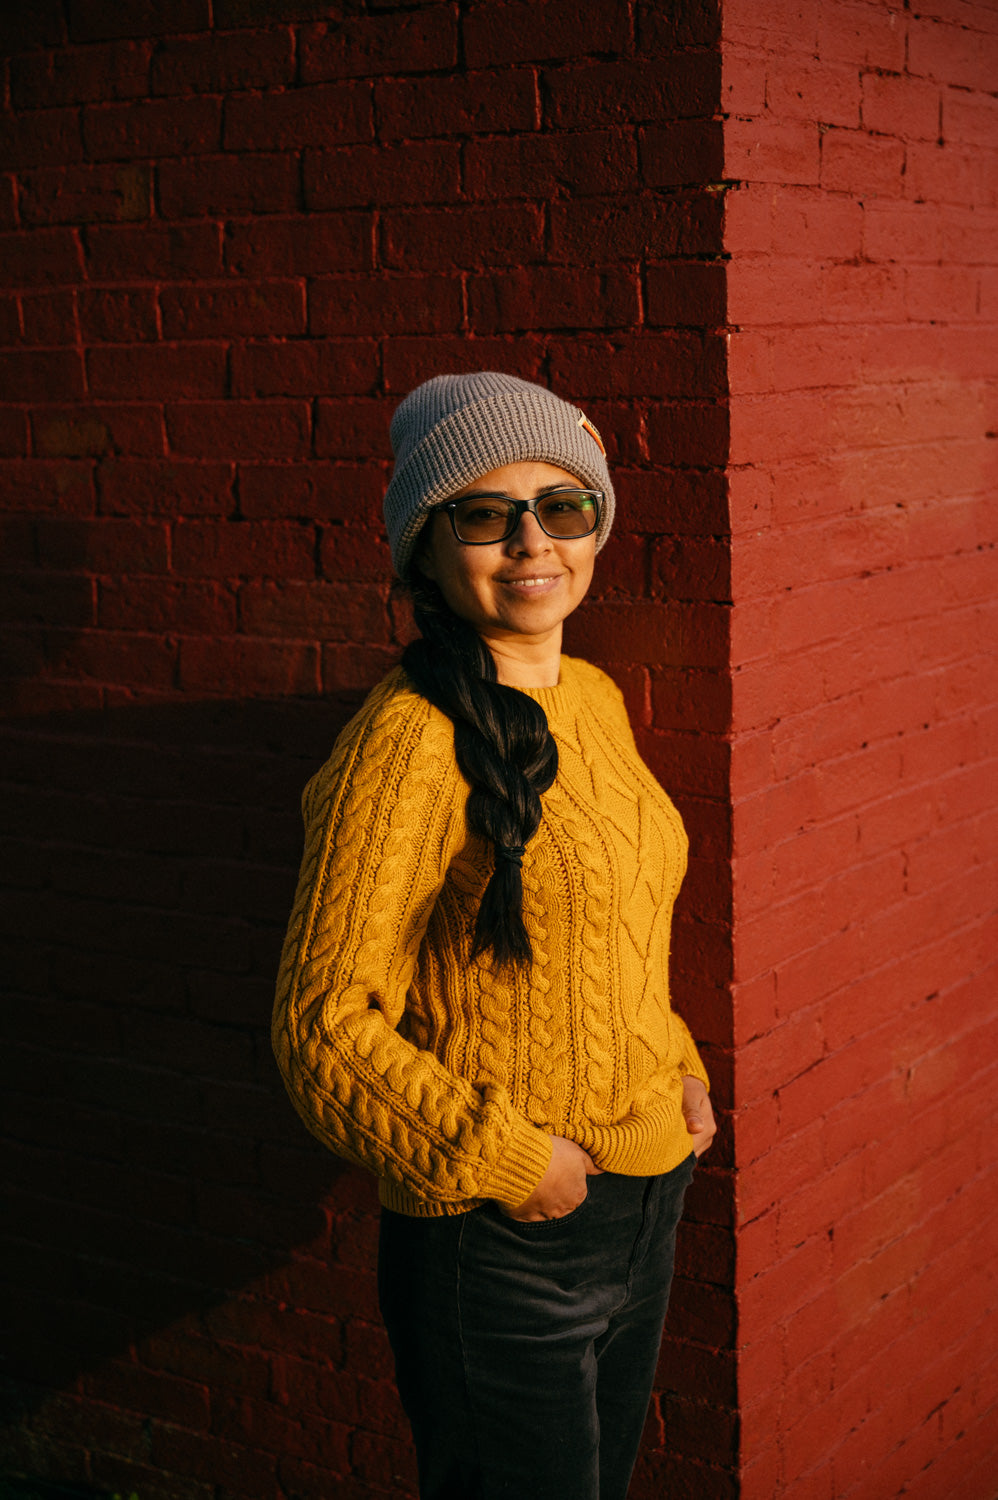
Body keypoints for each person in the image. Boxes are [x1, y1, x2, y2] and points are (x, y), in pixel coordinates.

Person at [272, 371, 715, 1500]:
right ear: (425, 551)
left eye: (560, 506)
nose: (530, 541)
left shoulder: (596, 701)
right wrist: (512, 1164)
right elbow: (321, 1025)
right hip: (498, 1238)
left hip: (642, 1196)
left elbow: (614, 930)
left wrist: (676, 1065)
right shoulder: (406, 744)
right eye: (481, 513)